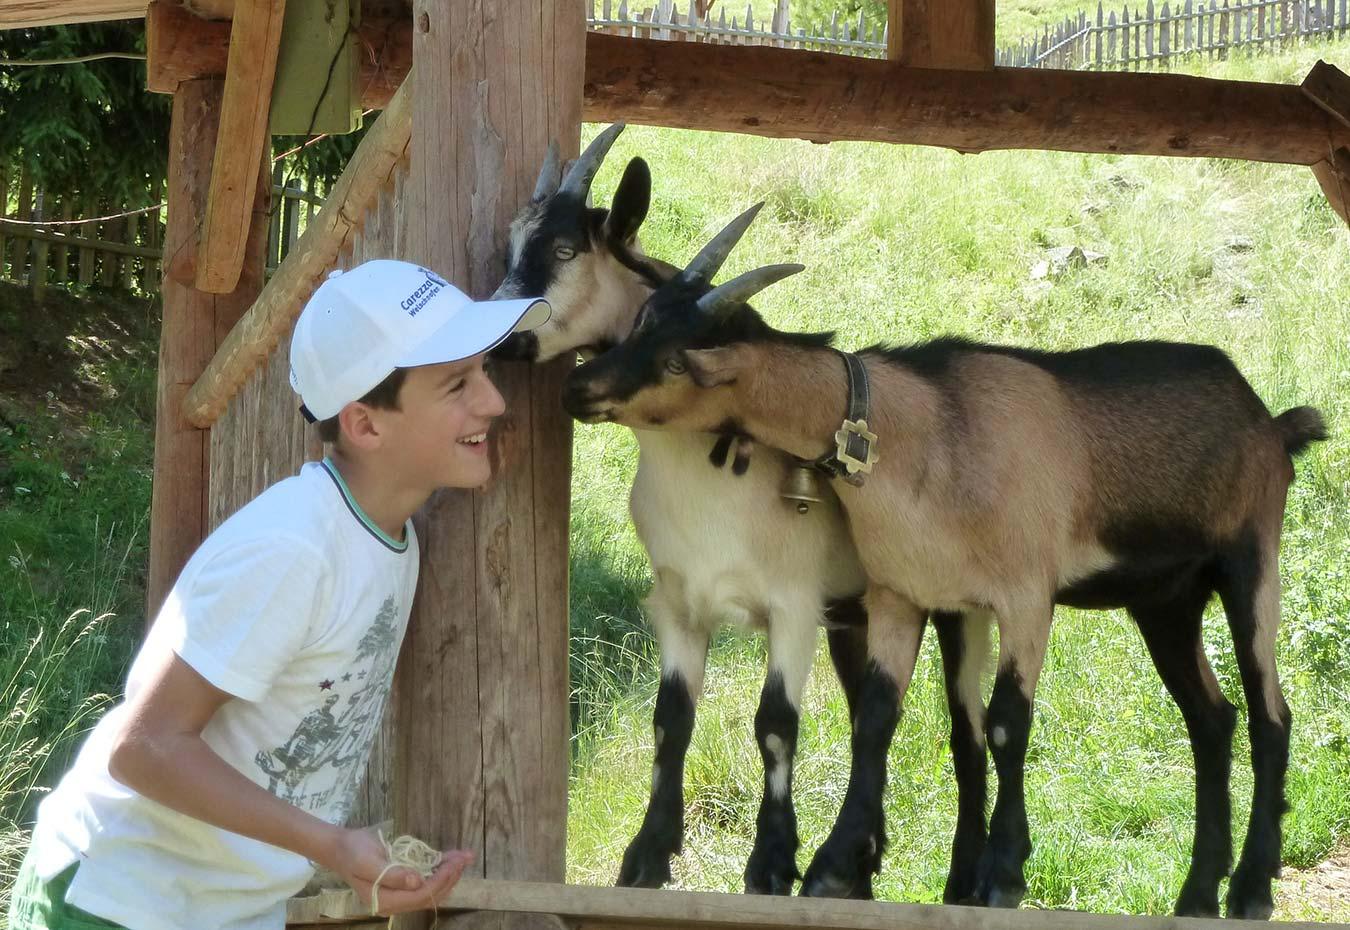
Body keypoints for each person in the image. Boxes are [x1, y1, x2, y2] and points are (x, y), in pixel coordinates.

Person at [7, 259, 550, 930]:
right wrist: (330, 845)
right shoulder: (293, 547)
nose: (494, 403)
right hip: (115, 904)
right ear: (366, 424)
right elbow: (143, 746)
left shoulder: (391, 540)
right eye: (457, 385)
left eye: (485, 374)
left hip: (224, 911)